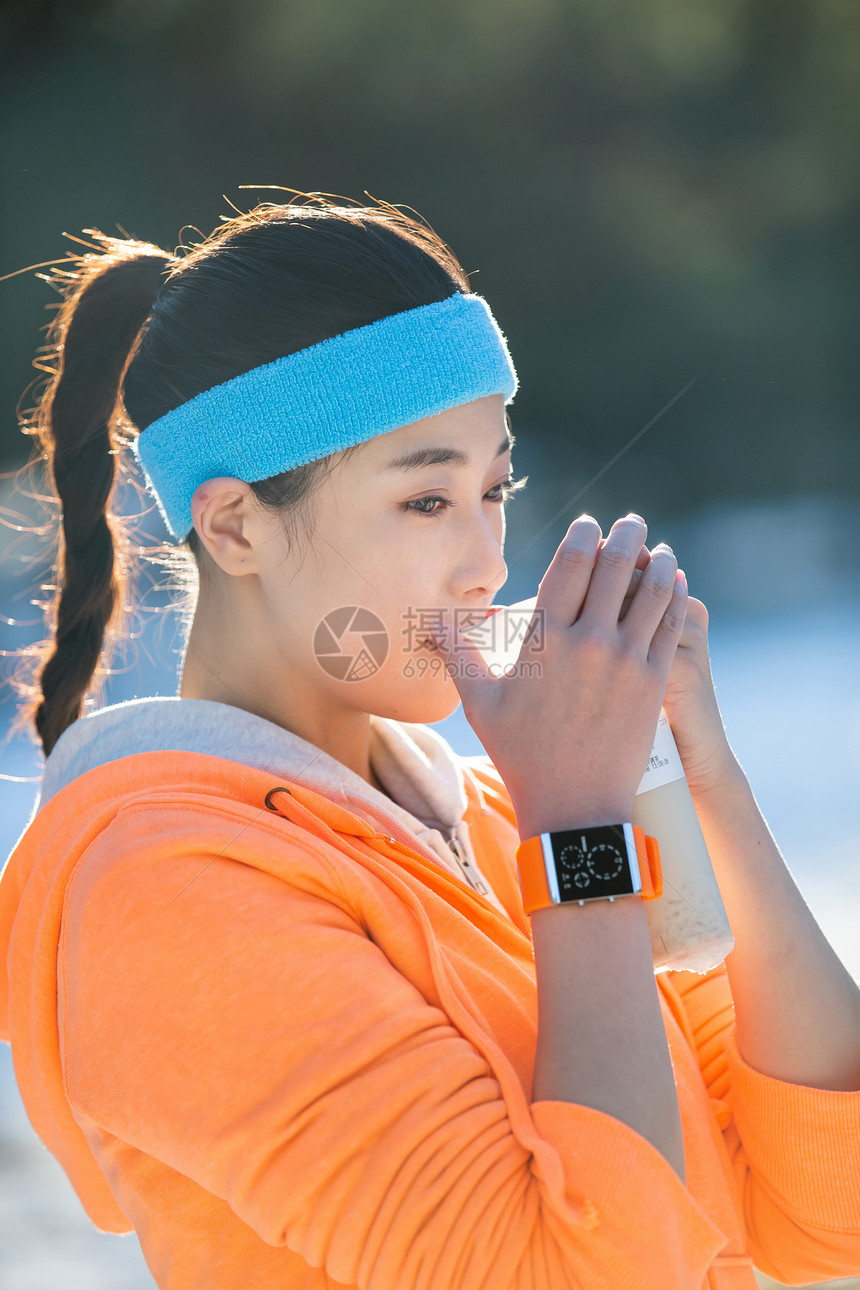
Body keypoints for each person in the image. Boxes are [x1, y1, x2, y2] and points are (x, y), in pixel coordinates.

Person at [1, 192, 858, 1290]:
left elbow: (818, 1213)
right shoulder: (157, 888)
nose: (486, 564)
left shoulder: (501, 816)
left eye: (495, 489)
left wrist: (704, 775)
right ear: (232, 527)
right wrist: (577, 827)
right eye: (424, 500)